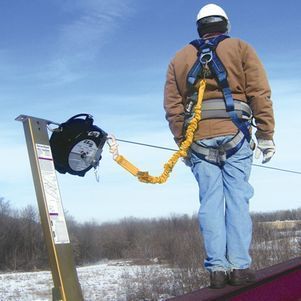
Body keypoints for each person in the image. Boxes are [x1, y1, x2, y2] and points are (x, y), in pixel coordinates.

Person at [163, 3, 275, 289]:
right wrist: (266, 133)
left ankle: (216, 270)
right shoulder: (240, 47)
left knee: (210, 203)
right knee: (238, 199)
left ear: (199, 27)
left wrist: (182, 141)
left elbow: (173, 106)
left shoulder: (180, 57)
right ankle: (238, 267)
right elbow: (259, 92)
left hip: (198, 139)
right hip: (235, 134)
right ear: (225, 25)